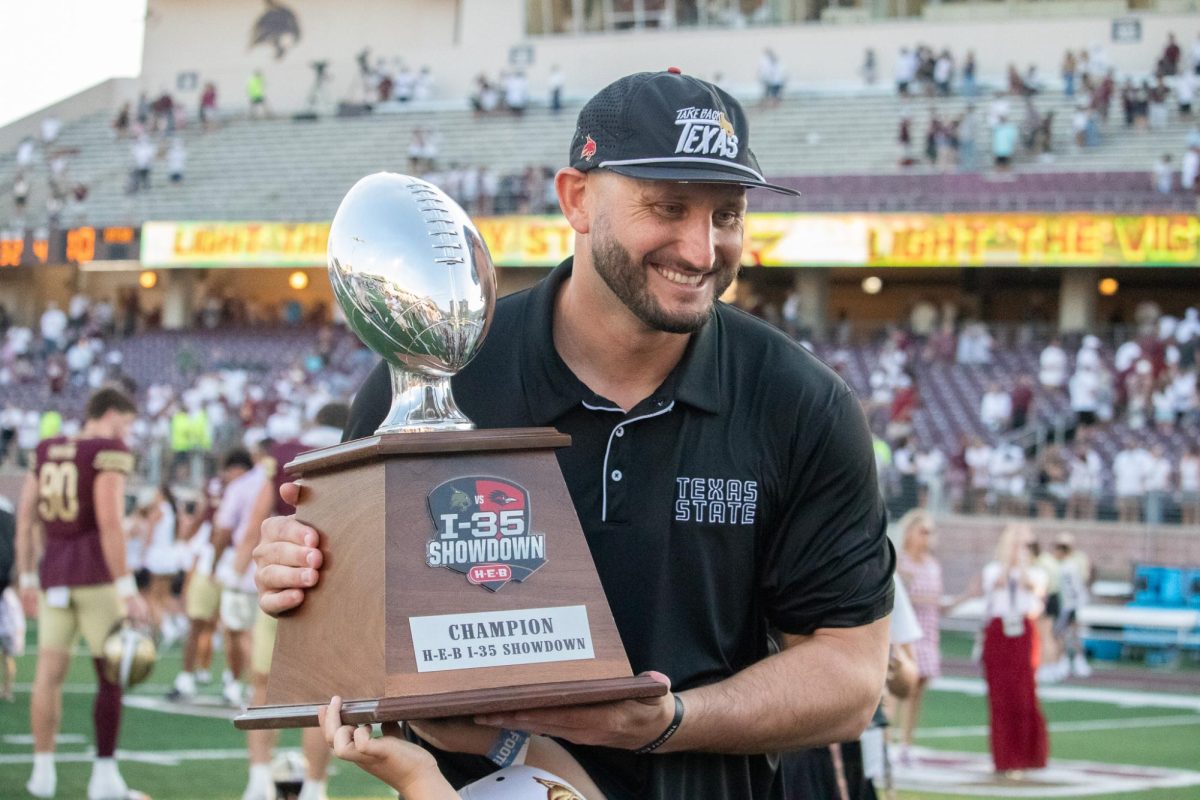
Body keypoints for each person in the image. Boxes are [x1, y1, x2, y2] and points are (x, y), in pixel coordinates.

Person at [255, 68, 895, 800]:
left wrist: (669, 721)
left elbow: (851, 674)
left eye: (727, 214)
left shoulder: (800, 404)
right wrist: (304, 571)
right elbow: (362, 633)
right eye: (668, 206)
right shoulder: (440, 373)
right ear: (576, 198)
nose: (700, 248)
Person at [15, 388, 150, 800]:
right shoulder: (106, 450)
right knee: (111, 675)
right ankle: (105, 776)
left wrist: (26, 578)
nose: (126, 432)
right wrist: (128, 588)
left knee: (46, 678)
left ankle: (42, 772)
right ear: (111, 414)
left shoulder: (48, 447)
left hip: (54, 574)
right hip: (95, 576)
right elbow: (109, 523)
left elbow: (25, 520)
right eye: (125, 423)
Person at [979, 523, 1048, 778]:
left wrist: (1021, 564)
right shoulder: (993, 570)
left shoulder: (1037, 572)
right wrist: (1009, 562)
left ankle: (1027, 756)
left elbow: (1035, 591)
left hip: (1023, 632)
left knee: (1024, 694)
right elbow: (996, 585)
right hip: (999, 632)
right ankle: (1003, 757)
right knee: (1000, 696)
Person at [892, 510, 940, 765]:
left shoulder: (932, 565)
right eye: (923, 531)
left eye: (930, 532)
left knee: (917, 693)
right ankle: (887, 741)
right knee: (897, 689)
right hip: (905, 635)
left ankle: (906, 745)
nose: (928, 537)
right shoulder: (900, 563)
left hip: (928, 632)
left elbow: (937, 604)